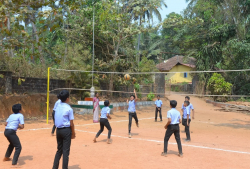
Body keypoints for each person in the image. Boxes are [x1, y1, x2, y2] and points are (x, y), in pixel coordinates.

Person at [52, 90, 76, 169]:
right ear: (67, 98)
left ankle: (54, 167)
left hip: (58, 130)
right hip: (66, 130)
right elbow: (71, 123)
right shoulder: (69, 108)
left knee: (59, 150)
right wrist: (73, 133)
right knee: (66, 152)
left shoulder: (57, 106)